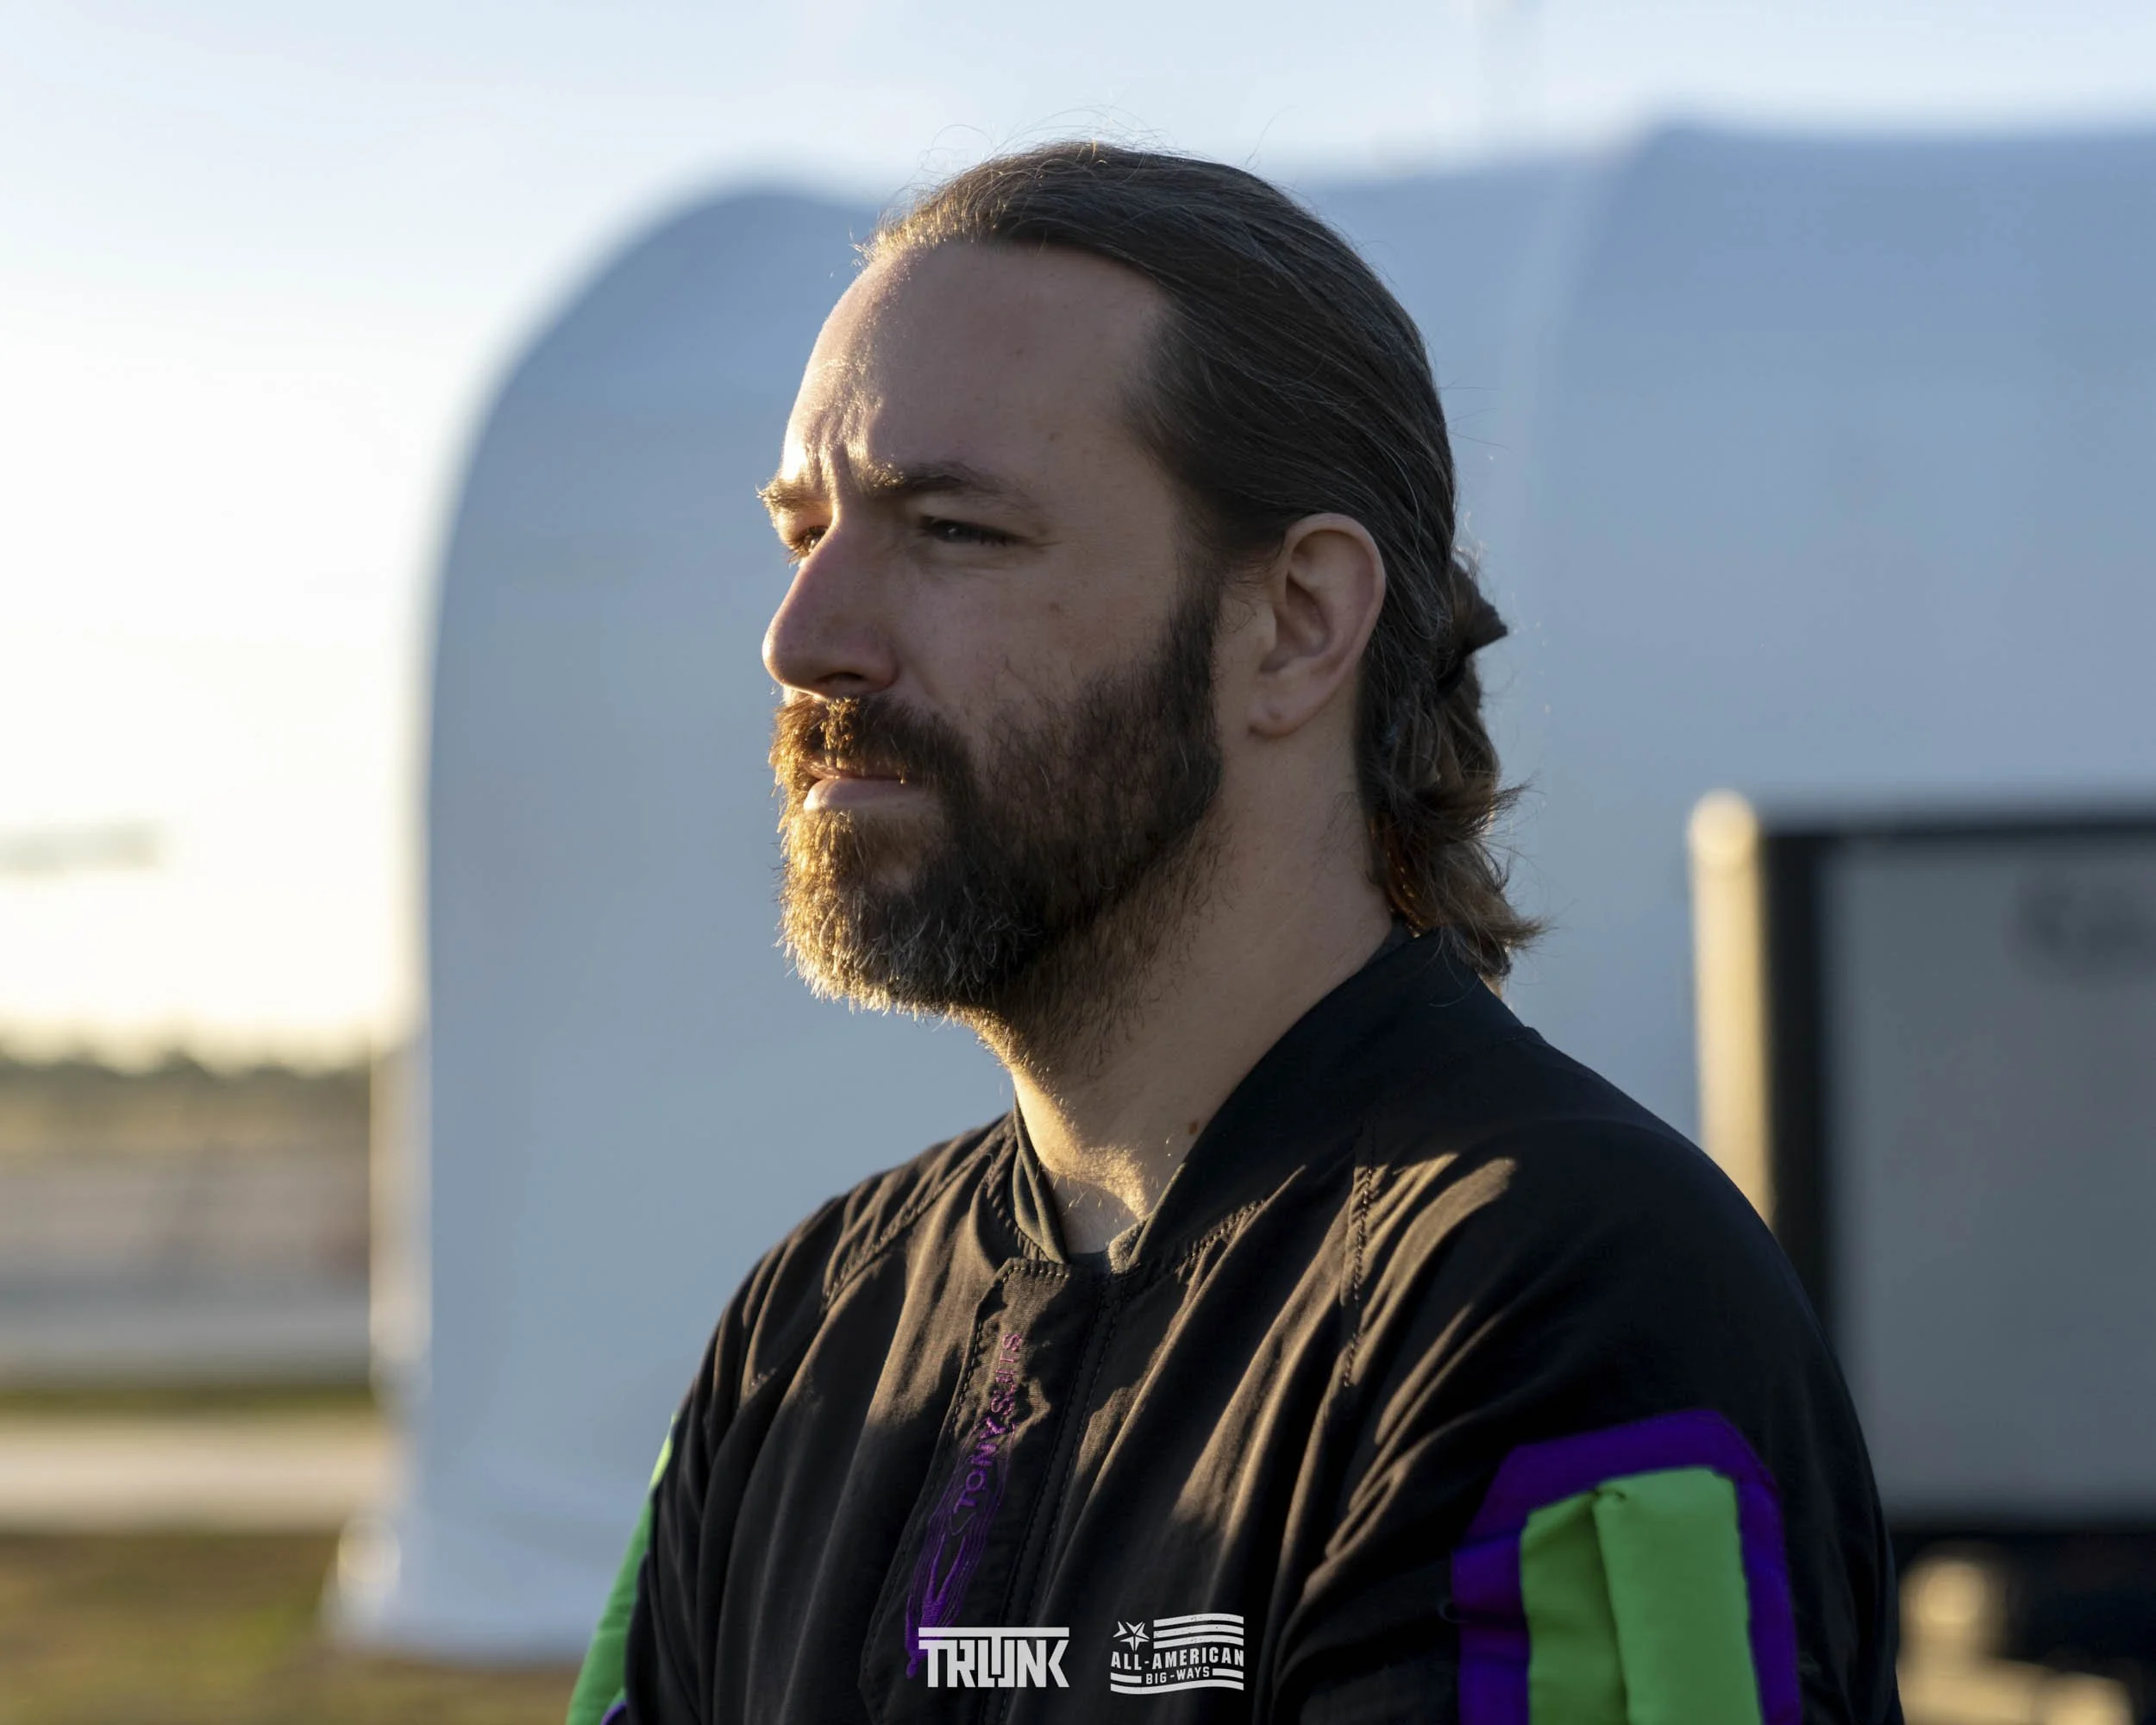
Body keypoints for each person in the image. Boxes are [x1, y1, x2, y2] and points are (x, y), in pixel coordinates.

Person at [567, 142, 1902, 1724]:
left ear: (1296, 624)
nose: (805, 639)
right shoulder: (797, 1341)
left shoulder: (1562, 1304)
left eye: (954, 530)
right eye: (807, 534)